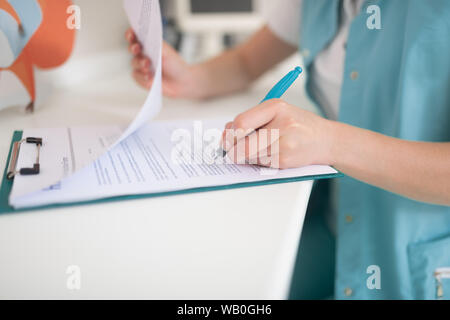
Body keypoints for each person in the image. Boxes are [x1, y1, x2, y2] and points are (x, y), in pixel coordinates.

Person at [126, 0, 450, 299]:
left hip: (415, 258)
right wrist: (191, 78)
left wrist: (330, 142)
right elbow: (245, 62)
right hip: (338, 223)